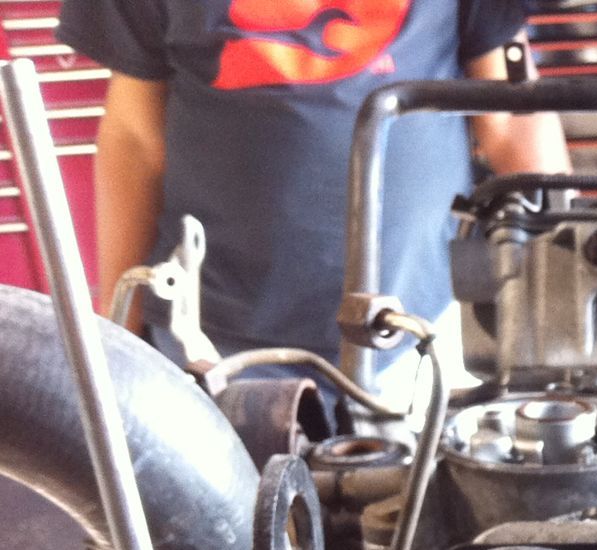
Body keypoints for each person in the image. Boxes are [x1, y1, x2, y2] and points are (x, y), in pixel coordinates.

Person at [56, 0, 569, 360]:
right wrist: (117, 332)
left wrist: (568, 299)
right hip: (213, 346)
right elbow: (136, 138)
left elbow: (512, 120)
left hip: (421, 338)